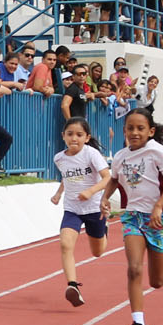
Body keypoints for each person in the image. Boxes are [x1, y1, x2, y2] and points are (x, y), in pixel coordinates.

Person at [101, 109, 163, 325]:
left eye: (140, 128)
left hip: (156, 219)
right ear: (124, 130)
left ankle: (140, 322)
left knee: (156, 282)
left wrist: (158, 206)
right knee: (134, 269)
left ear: (151, 131)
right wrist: (105, 198)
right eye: (130, 128)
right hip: (132, 218)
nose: (134, 133)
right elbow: (114, 179)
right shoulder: (121, 156)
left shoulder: (157, 151)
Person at [51, 116, 111, 307]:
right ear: (63, 136)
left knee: (97, 252)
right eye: (70, 134)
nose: (74, 138)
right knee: (65, 244)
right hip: (72, 208)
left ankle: (104, 230)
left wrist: (91, 191)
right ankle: (72, 285)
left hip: (93, 208)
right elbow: (66, 177)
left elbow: (107, 178)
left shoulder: (91, 154)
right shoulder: (59, 158)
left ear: (87, 137)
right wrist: (58, 193)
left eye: (79, 134)